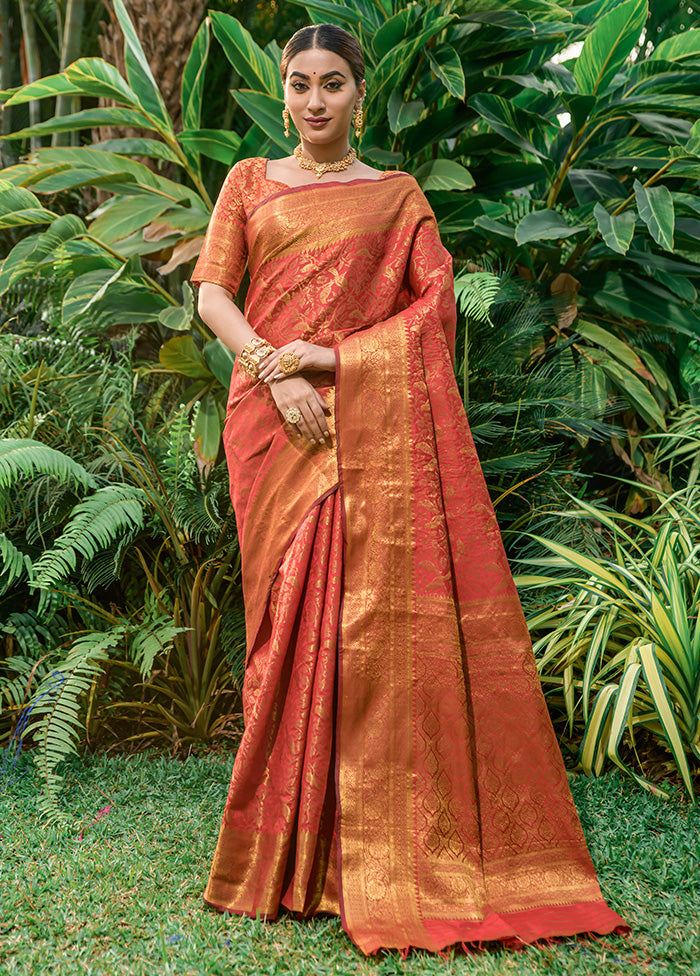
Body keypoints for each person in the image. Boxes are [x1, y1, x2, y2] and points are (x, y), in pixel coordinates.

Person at [191, 22, 628, 957]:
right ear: (282, 91)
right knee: (287, 627)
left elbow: (431, 313)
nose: (315, 101)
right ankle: (286, 852)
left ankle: (362, 851)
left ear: (360, 92)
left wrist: (329, 356)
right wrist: (278, 369)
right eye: (300, 83)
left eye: (334, 84)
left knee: (367, 625)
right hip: (273, 425)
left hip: (364, 419)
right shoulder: (246, 185)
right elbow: (212, 296)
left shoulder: (396, 197)